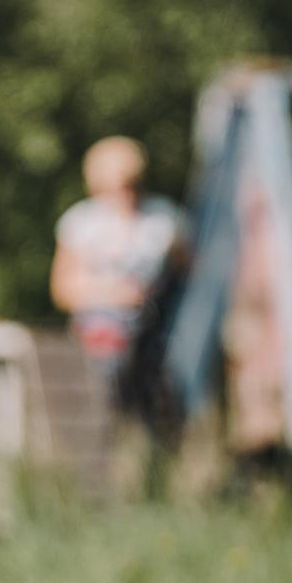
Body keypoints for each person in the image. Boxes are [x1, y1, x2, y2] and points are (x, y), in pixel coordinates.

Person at [50, 136, 188, 492]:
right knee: (102, 404)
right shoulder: (81, 223)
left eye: (130, 183)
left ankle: (153, 481)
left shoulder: (164, 220)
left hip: (154, 331)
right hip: (100, 334)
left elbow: (189, 272)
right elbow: (62, 290)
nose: (123, 192)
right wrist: (111, 294)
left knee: (160, 404)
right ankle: (96, 484)